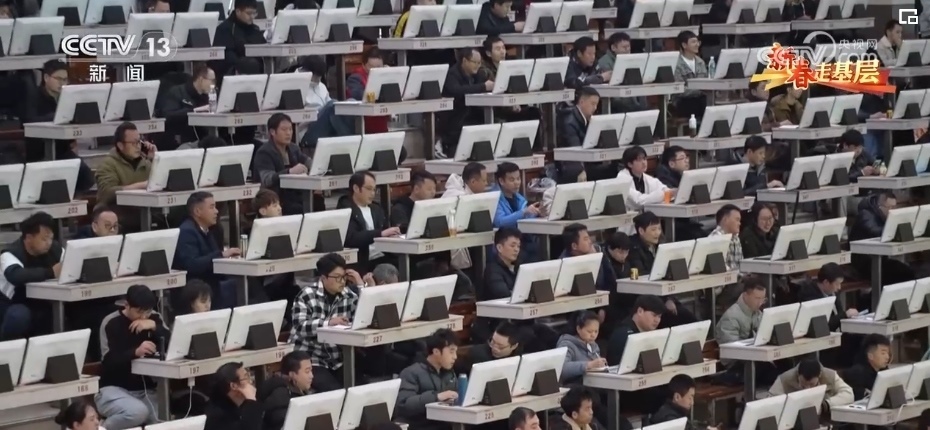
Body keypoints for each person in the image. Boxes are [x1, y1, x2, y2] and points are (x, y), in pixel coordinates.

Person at [289, 253, 369, 391]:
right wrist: (328, 322)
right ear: (323, 277)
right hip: (311, 357)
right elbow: (300, 326)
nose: (342, 281)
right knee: (333, 390)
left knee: (361, 388)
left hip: (337, 358)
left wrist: (360, 284)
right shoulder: (307, 294)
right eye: (337, 277)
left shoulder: (348, 295)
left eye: (344, 277)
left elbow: (366, 315)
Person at [97, 285, 168, 430]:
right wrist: (135, 352)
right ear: (126, 305)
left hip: (147, 390)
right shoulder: (111, 322)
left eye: (147, 311)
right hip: (114, 389)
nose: (143, 317)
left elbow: (173, 344)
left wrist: (155, 326)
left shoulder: (154, 318)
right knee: (137, 412)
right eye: (139, 312)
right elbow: (109, 362)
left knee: (158, 421)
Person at [21, 60, 95, 194]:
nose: (62, 83)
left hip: (63, 150)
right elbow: (29, 120)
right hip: (40, 151)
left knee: (87, 178)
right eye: (58, 79)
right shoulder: (33, 96)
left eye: (65, 79)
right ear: (46, 78)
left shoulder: (67, 97)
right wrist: (56, 116)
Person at [173, 191, 241, 309]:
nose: (216, 211)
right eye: (211, 207)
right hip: (194, 288)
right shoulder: (187, 231)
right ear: (197, 211)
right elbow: (192, 264)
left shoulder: (211, 230)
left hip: (211, 282)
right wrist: (221, 254)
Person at [0, 211, 61, 340]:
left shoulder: (54, 249)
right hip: (10, 304)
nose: (49, 243)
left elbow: (71, 260)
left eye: (51, 238)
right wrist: (50, 272)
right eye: (44, 239)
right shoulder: (10, 254)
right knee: (19, 315)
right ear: (28, 238)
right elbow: (16, 276)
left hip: (42, 302)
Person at [94, 122, 157, 233]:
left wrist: (155, 159)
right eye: (133, 143)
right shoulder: (108, 164)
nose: (138, 146)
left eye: (139, 142)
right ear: (120, 145)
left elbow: (159, 181)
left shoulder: (145, 162)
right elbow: (107, 192)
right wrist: (140, 186)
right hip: (116, 212)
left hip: (142, 209)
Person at [253, 113, 316, 216]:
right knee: (296, 208)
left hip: (294, 194)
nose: (288, 133)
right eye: (284, 129)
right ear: (272, 132)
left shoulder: (294, 148)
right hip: (275, 197)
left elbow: (308, 162)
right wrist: (289, 172)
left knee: (317, 201)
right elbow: (267, 179)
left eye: (290, 129)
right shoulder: (264, 152)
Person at [435, 48, 493, 159]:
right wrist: (483, 87)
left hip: (472, 115)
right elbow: (456, 91)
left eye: (479, 63)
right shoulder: (452, 74)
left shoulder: (478, 74)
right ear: (465, 61)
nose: (478, 65)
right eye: (475, 62)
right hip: (454, 118)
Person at [396, 329, 459, 430]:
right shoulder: (411, 373)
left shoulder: (449, 373)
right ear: (436, 351)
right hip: (420, 426)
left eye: (455, 352)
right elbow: (404, 404)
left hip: (444, 424)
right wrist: (436, 397)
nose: (455, 357)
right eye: (451, 352)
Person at [339, 171, 401, 271]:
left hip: (383, 256)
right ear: (356, 188)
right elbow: (351, 238)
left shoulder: (377, 209)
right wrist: (380, 234)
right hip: (363, 261)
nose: (372, 193)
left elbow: (385, 230)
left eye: (374, 190)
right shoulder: (345, 210)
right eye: (368, 189)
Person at [155, 63, 213, 148]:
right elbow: (168, 115)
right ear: (201, 79)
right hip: (181, 140)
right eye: (211, 80)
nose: (213, 84)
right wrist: (194, 110)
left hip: (202, 139)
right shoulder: (177, 92)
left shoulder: (208, 96)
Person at [210, 0, 266, 81]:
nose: (252, 17)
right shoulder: (224, 29)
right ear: (238, 11)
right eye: (249, 13)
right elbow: (226, 56)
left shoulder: (255, 29)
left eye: (254, 13)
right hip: (232, 72)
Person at [259, 351, 313, 430]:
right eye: (307, 371)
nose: (311, 376)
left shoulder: (298, 390)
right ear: (292, 374)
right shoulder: (280, 396)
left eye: (311, 371)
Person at [606, 294, 665, 365]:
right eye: (654, 315)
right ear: (640, 311)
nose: (657, 320)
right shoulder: (623, 334)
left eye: (659, 316)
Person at [769, 359, 854, 408]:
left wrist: (826, 404)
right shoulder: (785, 379)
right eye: (803, 385)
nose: (807, 388)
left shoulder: (830, 375)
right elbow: (771, 400)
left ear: (819, 375)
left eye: (812, 385)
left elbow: (848, 394)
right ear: (798, 375)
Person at [203, 362, 264, 430]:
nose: (251, 382)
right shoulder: (218, 416)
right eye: (246, 377)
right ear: (233, 386)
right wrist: (251, 400)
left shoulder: (239, 404)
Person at [560, 223, 615, 293]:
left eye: (589, 238)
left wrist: (596, 258)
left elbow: (611, 281)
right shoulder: (565, 264)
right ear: (574, 246)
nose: (590, 242)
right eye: (586, 239)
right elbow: (593, 286)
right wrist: (594, 261)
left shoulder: (597, 251)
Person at [347, 48, 389, 135]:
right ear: (364, 65)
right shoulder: (355, 78)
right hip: (364, 127)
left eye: (378, 67)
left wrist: (390, 74)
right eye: (371, 67)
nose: (375, 71)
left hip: (382, 125)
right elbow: (358, 95)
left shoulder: (386, 76)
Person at [557, 311, 606, 385]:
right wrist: (588, 365)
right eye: (589, 331)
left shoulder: (594, 345)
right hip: (574, 385)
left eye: (596, 331)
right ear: (579, 329)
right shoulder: (567, 344)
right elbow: (562, 368)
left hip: (593, 382)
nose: (593, 335)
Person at [617, 146, 673, 211]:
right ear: (630, 164)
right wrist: (662, 194)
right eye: (639, 160)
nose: (644, 162)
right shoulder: (622, 179)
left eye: (644, 159)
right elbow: (639, 201)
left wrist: (670, 192)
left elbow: (666, 190)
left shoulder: (647, 177)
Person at [457, 320, 523, 373]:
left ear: (514, 346)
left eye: (500, 347)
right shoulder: (477, 355)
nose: (494, 348)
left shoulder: (521, 359)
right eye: (493, 342)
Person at [841, 334, 892, 400]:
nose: (887, 357)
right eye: (883, 353)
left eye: (888, 353)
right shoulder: (858, 373)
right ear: (870, 356)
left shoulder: (884, 371)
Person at [671, 31, 707, 119]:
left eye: (698, 42)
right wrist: (699, 90)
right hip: (682, 101)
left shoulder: (700, 62)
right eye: (693, 42)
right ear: (684, 45)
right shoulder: (676, 64)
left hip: (700, 98)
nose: (697, 44)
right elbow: (679, 89)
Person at [493, 162, 540, 230]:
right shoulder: (495, 199)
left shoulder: (520, 199)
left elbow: (525, 218)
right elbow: (499, 222)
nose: (517, 183)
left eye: (518, 179)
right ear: (501, 181)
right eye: (512, 180)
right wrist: (523, 212)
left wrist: (537, 213)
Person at [708, 204, 743, 274]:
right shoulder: (715, 239)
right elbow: (721, 268)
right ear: (725, 220)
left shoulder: (736, 238)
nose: (739, 223)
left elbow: (741, 264)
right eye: (737, 220)